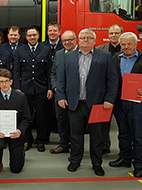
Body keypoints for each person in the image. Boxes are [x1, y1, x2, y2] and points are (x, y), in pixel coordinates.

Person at [56, 29, 118, 176]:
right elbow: (60, 79)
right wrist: (61, 96)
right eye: (82, 38)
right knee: (75, 135)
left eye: (89, 38)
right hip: (74, 103)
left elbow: (113, 80)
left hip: (97, 105)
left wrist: (109, 99)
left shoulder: (105, 56)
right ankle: (75, 161)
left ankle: (96, 164)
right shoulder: (68, 57)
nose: (85, 40)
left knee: (97, 136)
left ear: (94, 41)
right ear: (78, 40)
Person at [108, 32, 142, 178]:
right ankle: (125, 158)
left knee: (137, 134)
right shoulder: (115, 59)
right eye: (123, 44)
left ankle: (138, 164)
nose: (126, 47)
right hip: (119, 102)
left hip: (136, 103)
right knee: (123, 133)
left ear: (135, 44)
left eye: (129, 44)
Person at [13, 25, 53, 152]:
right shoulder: (20, 50)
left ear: (38, 36)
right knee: (27, 117)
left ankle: (41, 141)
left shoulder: (45, 49)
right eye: (29, 35)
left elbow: (50, 71)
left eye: (34, 35)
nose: (32, 37)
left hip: (41, 88)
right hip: (25, 89)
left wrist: (50, 88)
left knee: (42, 116)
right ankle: (28, 140)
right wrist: (17, 88)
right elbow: (16, 71)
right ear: (26, 37)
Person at [0, 68, 31, 178]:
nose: (4, 84)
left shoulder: (21, 97)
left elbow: (27, 118)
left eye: (6, 81)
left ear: (11, 82)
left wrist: (20, 131)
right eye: (1, 82)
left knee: (16, 169)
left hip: (15, 133)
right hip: (0, 132)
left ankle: (21, 150)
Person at [96, 23, 123, 154]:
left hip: (122, 94)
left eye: (116, 33)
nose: (114, 35)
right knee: (103, 123)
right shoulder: (100, 50)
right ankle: (104, 146)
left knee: (123, 124)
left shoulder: (127, 49)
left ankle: (124, 150)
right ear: (108, 35)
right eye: (111, 33)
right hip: (104, 94)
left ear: (121, 34)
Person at [49, 30, 77, 154]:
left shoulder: (81, 54)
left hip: (76, 95)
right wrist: (55, 87)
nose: (67, 42)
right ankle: (64, 144)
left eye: (70, 40)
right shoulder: (59, 54)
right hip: (60, 94)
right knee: (61, 120)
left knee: (75, 122)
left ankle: (76, 146)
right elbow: (53, 73)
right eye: (64, 40)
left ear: (75, 40)